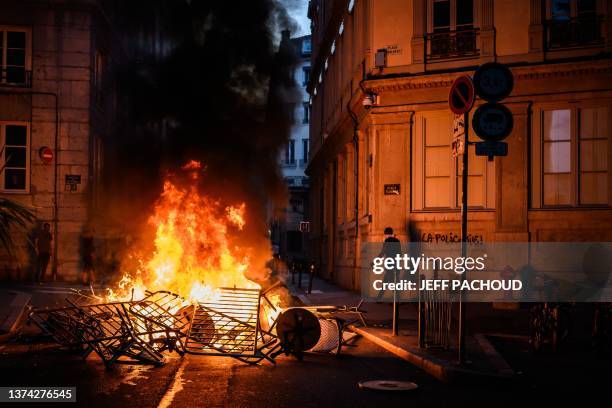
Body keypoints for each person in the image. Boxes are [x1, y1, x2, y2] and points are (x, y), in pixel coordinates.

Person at [376, 227, 401, 301]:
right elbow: (400, 253)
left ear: (386, 234)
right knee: (390, 282)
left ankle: (395, 300)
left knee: (388, 282)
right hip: (396, 264)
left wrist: (375, 261)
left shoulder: (387, 241)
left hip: (389, 264)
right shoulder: (397, 241)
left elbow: (383, 252)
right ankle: (380, 298)